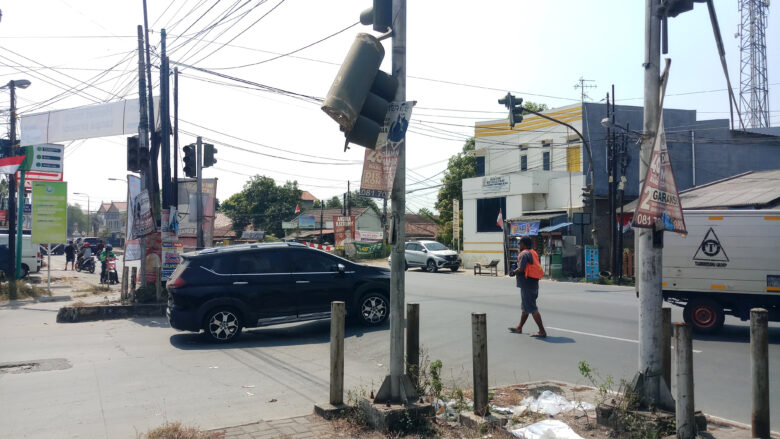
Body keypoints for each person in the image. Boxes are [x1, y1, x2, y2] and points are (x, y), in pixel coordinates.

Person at [508, 236, 546, 338]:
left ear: (524, 244)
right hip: (533, 283)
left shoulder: (524, 254)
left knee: (532, 308)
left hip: (527, 284)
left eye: (519, 243)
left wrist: (513, 272)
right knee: (526, 307)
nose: (518, 245)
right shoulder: (533, 252)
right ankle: (519, 327)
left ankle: (542, 331)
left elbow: (521, 268)